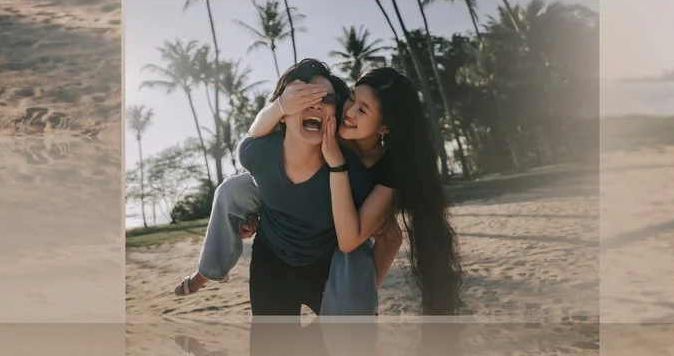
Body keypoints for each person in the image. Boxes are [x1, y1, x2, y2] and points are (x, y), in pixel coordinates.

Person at [175, 65, 462, 317]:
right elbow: (259, 140)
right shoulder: (333, 124)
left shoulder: (387, 171)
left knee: (364, 252)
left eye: (362, 110)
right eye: (350, 98)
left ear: (385, 127)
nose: (348, 112)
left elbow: (378, 238)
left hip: (345, 231)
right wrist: (280, 107)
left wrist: (355, 297)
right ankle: (208, 271)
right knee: (233, 188)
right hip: (295, 208)